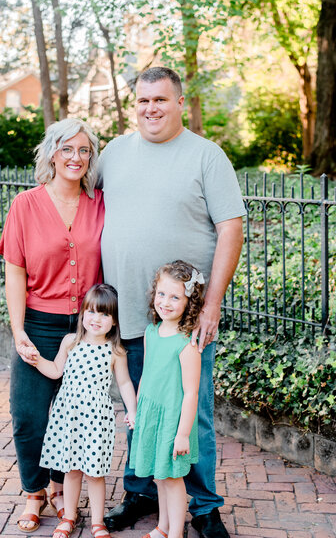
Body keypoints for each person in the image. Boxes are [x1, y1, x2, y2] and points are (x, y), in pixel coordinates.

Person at [98, 67, 245, 538]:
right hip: (130, 315)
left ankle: (201, 507)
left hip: (183, 323)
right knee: (138, 410)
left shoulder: (207, 155)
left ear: (180, 102)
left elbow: (231, 228)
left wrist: (212, 304)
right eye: (142, 101)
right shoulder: (114, 153)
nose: (150, 109)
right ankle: (139, 492)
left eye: (160, 99)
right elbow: (77, 193)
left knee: (190, 413)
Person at [0, 118, 105, 533]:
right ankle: (34, 492)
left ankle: (62, 489)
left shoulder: (100, 203)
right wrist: (18, 329)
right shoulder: (25, 204)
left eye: (83, 150)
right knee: (29, 415)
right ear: (51, 154)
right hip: (39, 324)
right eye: (66, 149)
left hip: (85, 331)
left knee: (73, 415)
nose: (75, 158)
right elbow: (14, 271)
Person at [26, 284, 137, 538]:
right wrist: (35, 359)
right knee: (72, 470)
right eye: (91, 312)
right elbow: (56, 370)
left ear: (114, 321)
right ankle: (69, 517)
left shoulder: (115, 350)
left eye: (105, 314)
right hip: (69, 418)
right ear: (82, 313)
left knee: (95, 473)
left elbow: (125, 383)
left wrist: (132, 410)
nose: (96, 319)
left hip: (96, 420)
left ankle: (97, 521)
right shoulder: (70, 342)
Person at [130, 261, 203, 538]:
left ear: (189, 302)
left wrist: (183, 434)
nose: (166, 302)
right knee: (159, 475)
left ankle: (176, 532)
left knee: (173, 479)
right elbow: (147, 374)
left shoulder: (187, 344)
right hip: (151, 414)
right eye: (162, 294)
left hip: (173, 420)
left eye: (175, 297)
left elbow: (191, 393)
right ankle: (162, 527)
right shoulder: (151, 332)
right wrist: (137, 410)